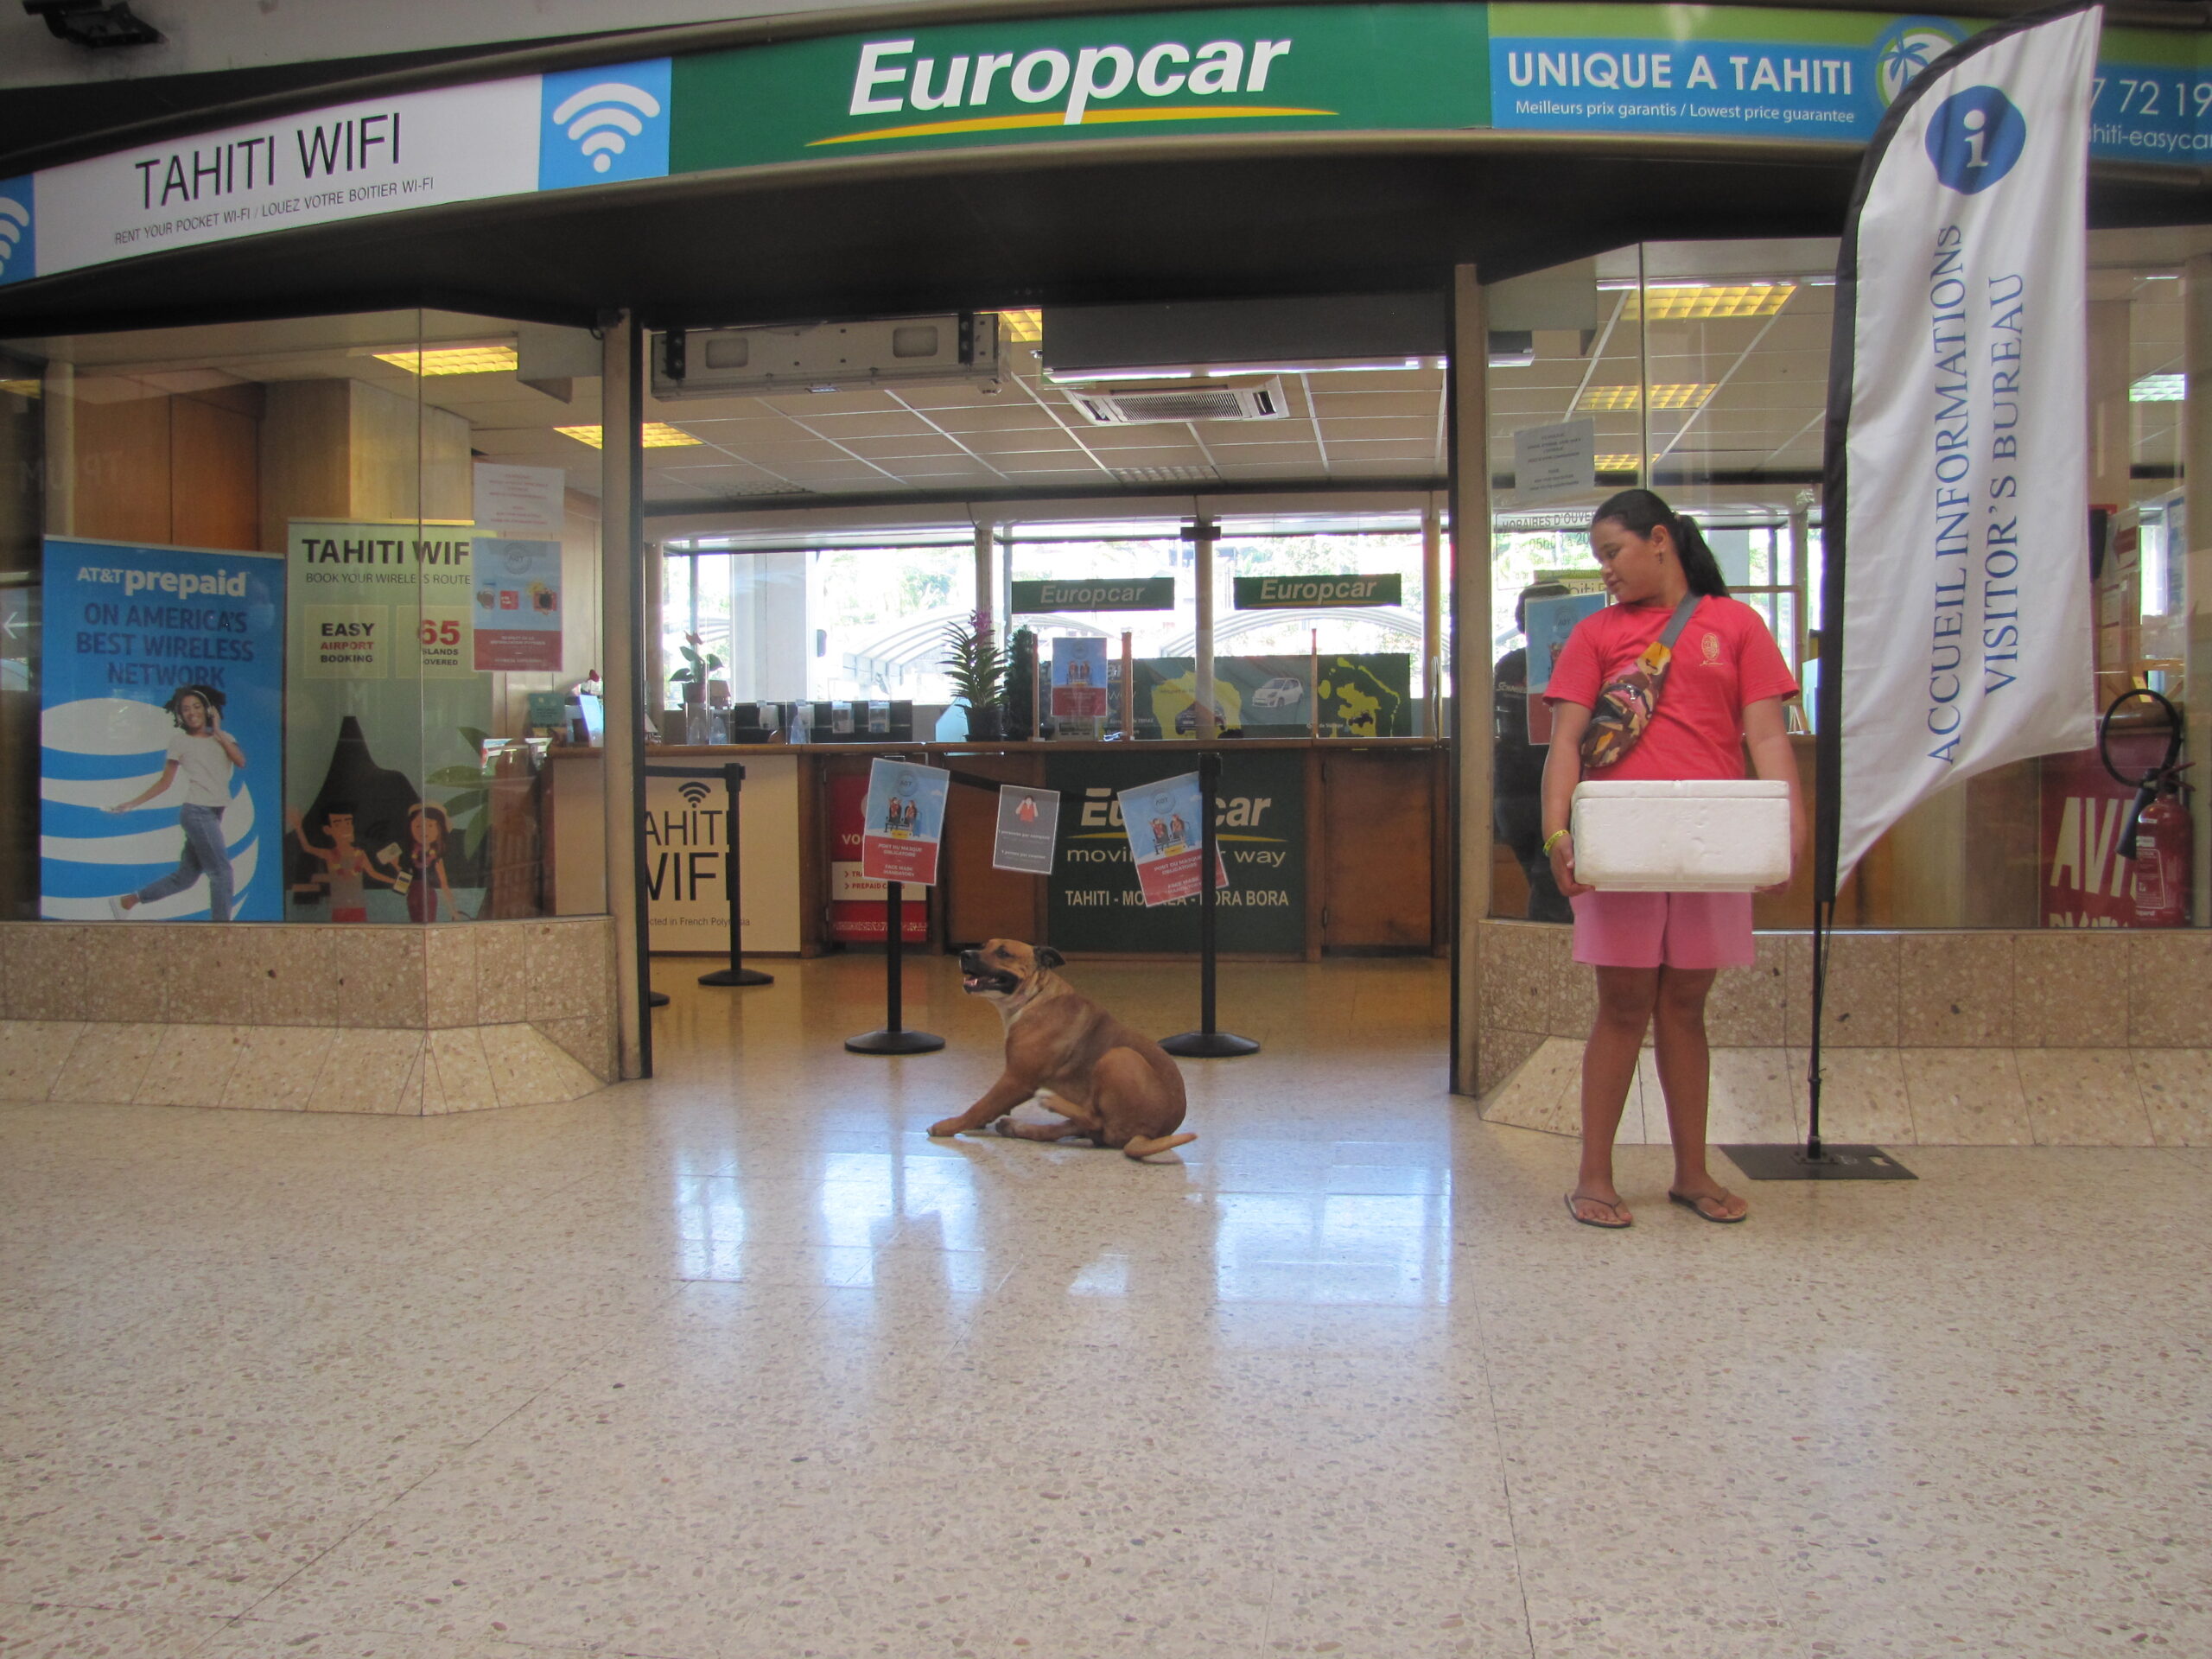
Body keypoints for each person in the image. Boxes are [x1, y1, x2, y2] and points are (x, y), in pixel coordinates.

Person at [1541, 490, 1803, 1229]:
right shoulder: (1594, 635)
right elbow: (1565, 743)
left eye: (1613, 553)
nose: (1607, 572)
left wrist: (1789, 825)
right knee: (1622, 1007)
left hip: (1714, 839)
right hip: (1620, 841)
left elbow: (1768, 737)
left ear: (1660, 541)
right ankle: (1595, 1174)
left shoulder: (1737, 625)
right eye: (1599, 559)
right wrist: (1558, 833)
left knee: (1687, 1006)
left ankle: (1692, 1171)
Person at [106, 683, 243, 922]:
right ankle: (222, 931)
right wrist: (131, 803)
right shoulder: (180, 742)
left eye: (197, 707)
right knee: (221, 873)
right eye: (186, 709)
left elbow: (240, 761)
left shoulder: (226, 739)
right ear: (181, 715)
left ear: (208, 709)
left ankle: (127, 901)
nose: (192, 713)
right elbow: (165, 783)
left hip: (213, 813)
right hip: (196, 812)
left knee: (186, 877)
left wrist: (218, 730)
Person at [1493, 581, 1574, 923]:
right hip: (1517, 791)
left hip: (1552, 790)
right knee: (1543, 878)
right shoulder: (1510, 665)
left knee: (1549, 881)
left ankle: (1549, 959)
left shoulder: (1579, 665)